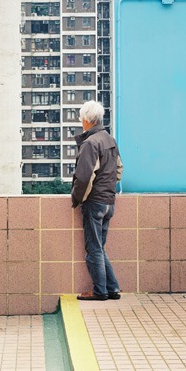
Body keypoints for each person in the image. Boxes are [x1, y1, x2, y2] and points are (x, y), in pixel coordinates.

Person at [71, 101, 123, 301]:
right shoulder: (109, 139)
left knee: (93, 248)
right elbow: (118, 169)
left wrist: (77, 198)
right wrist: (107, 189)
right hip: (109, 201)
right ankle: (113, 288)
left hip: (94, 203)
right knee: (99, 247)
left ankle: (100, 291)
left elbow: (84, 177)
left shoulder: (90, 143)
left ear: (86, 120)